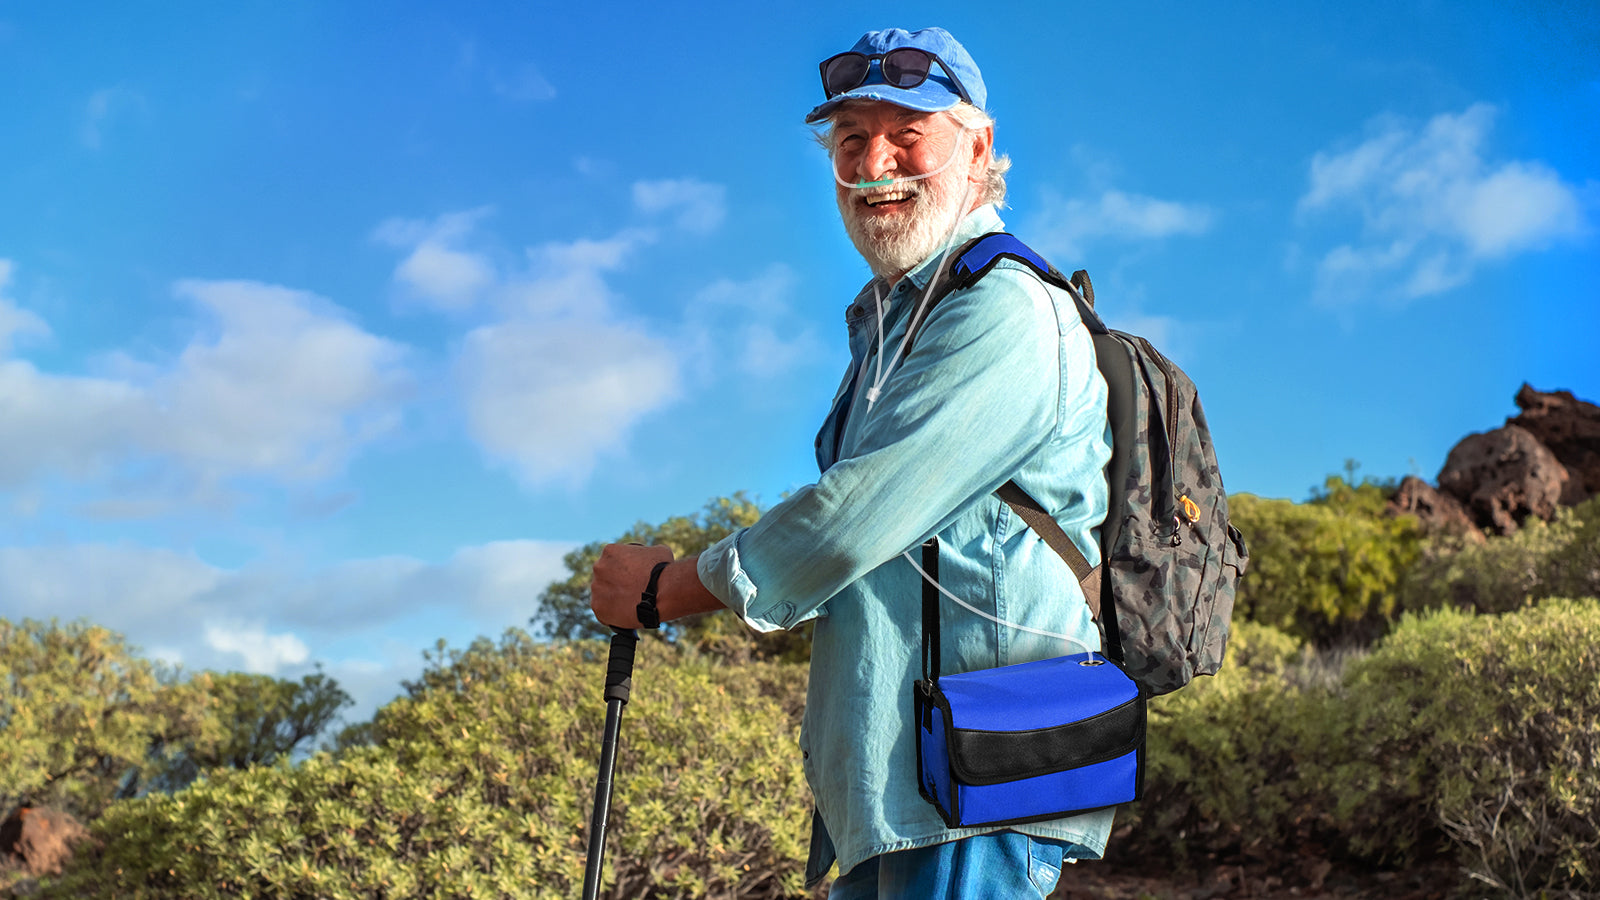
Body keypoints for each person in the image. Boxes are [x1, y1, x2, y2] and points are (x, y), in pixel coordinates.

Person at [590, 26, 1113, 899]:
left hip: (977, 791)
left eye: (907, 135)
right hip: (893, 794)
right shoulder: (894, 322)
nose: (876, 164)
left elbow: (850, 516)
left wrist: (666, 589)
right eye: (851, 141)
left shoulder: (1009, 309)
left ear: (977, 147)